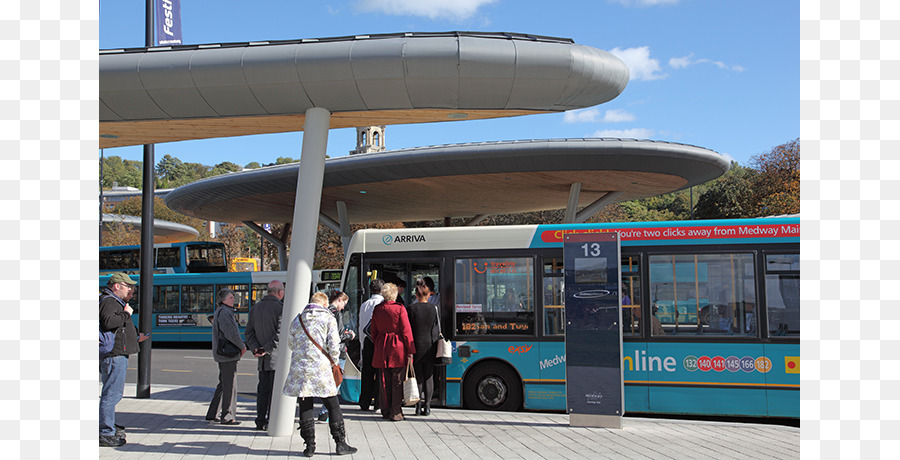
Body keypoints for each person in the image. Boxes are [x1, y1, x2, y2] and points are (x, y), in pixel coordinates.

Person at [283, 292, 357, 457]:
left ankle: (309, 446)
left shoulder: (298, 319)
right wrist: (334, 362)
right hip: (321, 369)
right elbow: (334, 343)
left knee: (305, 405)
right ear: (324, 304)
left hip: (300, 369)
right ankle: (340, 443)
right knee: (332, 404)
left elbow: (290, 342)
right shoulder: (328, 318)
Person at [99, 273, 149, 447]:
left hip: (117, 354)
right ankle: (105, 432)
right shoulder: (109, 301)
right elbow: (109, 322)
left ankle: (108, 426)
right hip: (114, 355)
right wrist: (126, 314)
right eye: (128, 286)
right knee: (112, 394)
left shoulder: (113, 301)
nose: (131, 289)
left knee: (113, 393)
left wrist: (134, 337)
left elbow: (117, 328)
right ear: (116, 286)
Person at [370, 283, 415, 421]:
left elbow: (373, 331)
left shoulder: (377, 309)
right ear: (395, 294)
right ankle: (396, 412)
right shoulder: (400, 309)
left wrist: (378, 342)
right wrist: (410, 349)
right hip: (397, 347)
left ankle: (385, 410)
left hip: (382, 346)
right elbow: (406, 331)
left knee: (384, 380)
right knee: (397, 381)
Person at [244, 280, 285, 430]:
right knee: (274, 392)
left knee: (262, 391)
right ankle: (272, 420)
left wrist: (256, 348)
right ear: (279, 292)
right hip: (276, 359)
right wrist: (265, 349)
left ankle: (260, 420)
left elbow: (248, 332)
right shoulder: (280, 308)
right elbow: (280, 335)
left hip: (262, 361)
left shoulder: (256, 308)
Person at [206, 288, 246, 425]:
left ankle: (213, 413)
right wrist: (242, 346)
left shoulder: (221, 311)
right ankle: (227, 416)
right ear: (223, 300)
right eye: (230, 298)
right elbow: (231, 334)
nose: (233, 300)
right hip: (227, 354)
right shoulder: (224, 313)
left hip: (223, 353)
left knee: (223, 383)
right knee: (230, 385)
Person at [316, 290, 355, 422]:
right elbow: (338, 336)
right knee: (336, 382)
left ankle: (325, 411)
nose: (344, 307)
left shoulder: (325, 311)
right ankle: (326, 412)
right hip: (337, 352)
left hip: (325, 351)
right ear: (339, 300)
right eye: (344, 303)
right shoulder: (336, 314)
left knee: (329, 381)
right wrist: (350, 335)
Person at [406, 278, 440, 416]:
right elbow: (437, 329)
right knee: (429, 377)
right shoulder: (433, 309)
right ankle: (427, 406)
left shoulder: (411, 309)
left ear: (416, 295)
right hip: (430, 346)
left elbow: (407, 330)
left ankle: (417, 406)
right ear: (428, 294)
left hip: (415, 346)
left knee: (418, 376)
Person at [357, 278, 384, 411]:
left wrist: (362, 344)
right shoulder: (383, 304)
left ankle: (364, 402)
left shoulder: (364, 305)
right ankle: (378, 403)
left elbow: (361, 327)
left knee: (367, 373)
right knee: (380, 372)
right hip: (380, 342)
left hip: (368, 341)